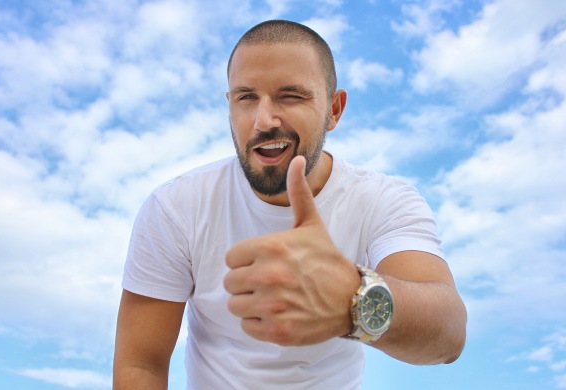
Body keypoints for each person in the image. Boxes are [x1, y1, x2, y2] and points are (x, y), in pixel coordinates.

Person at [113, 19, 467, 390]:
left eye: (291, 96)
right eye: (246, 97)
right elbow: (142, 365)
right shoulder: (176, 207)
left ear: (334, 109)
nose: (263, 121)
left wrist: (353, 297)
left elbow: (449, 334)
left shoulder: (383, 201)